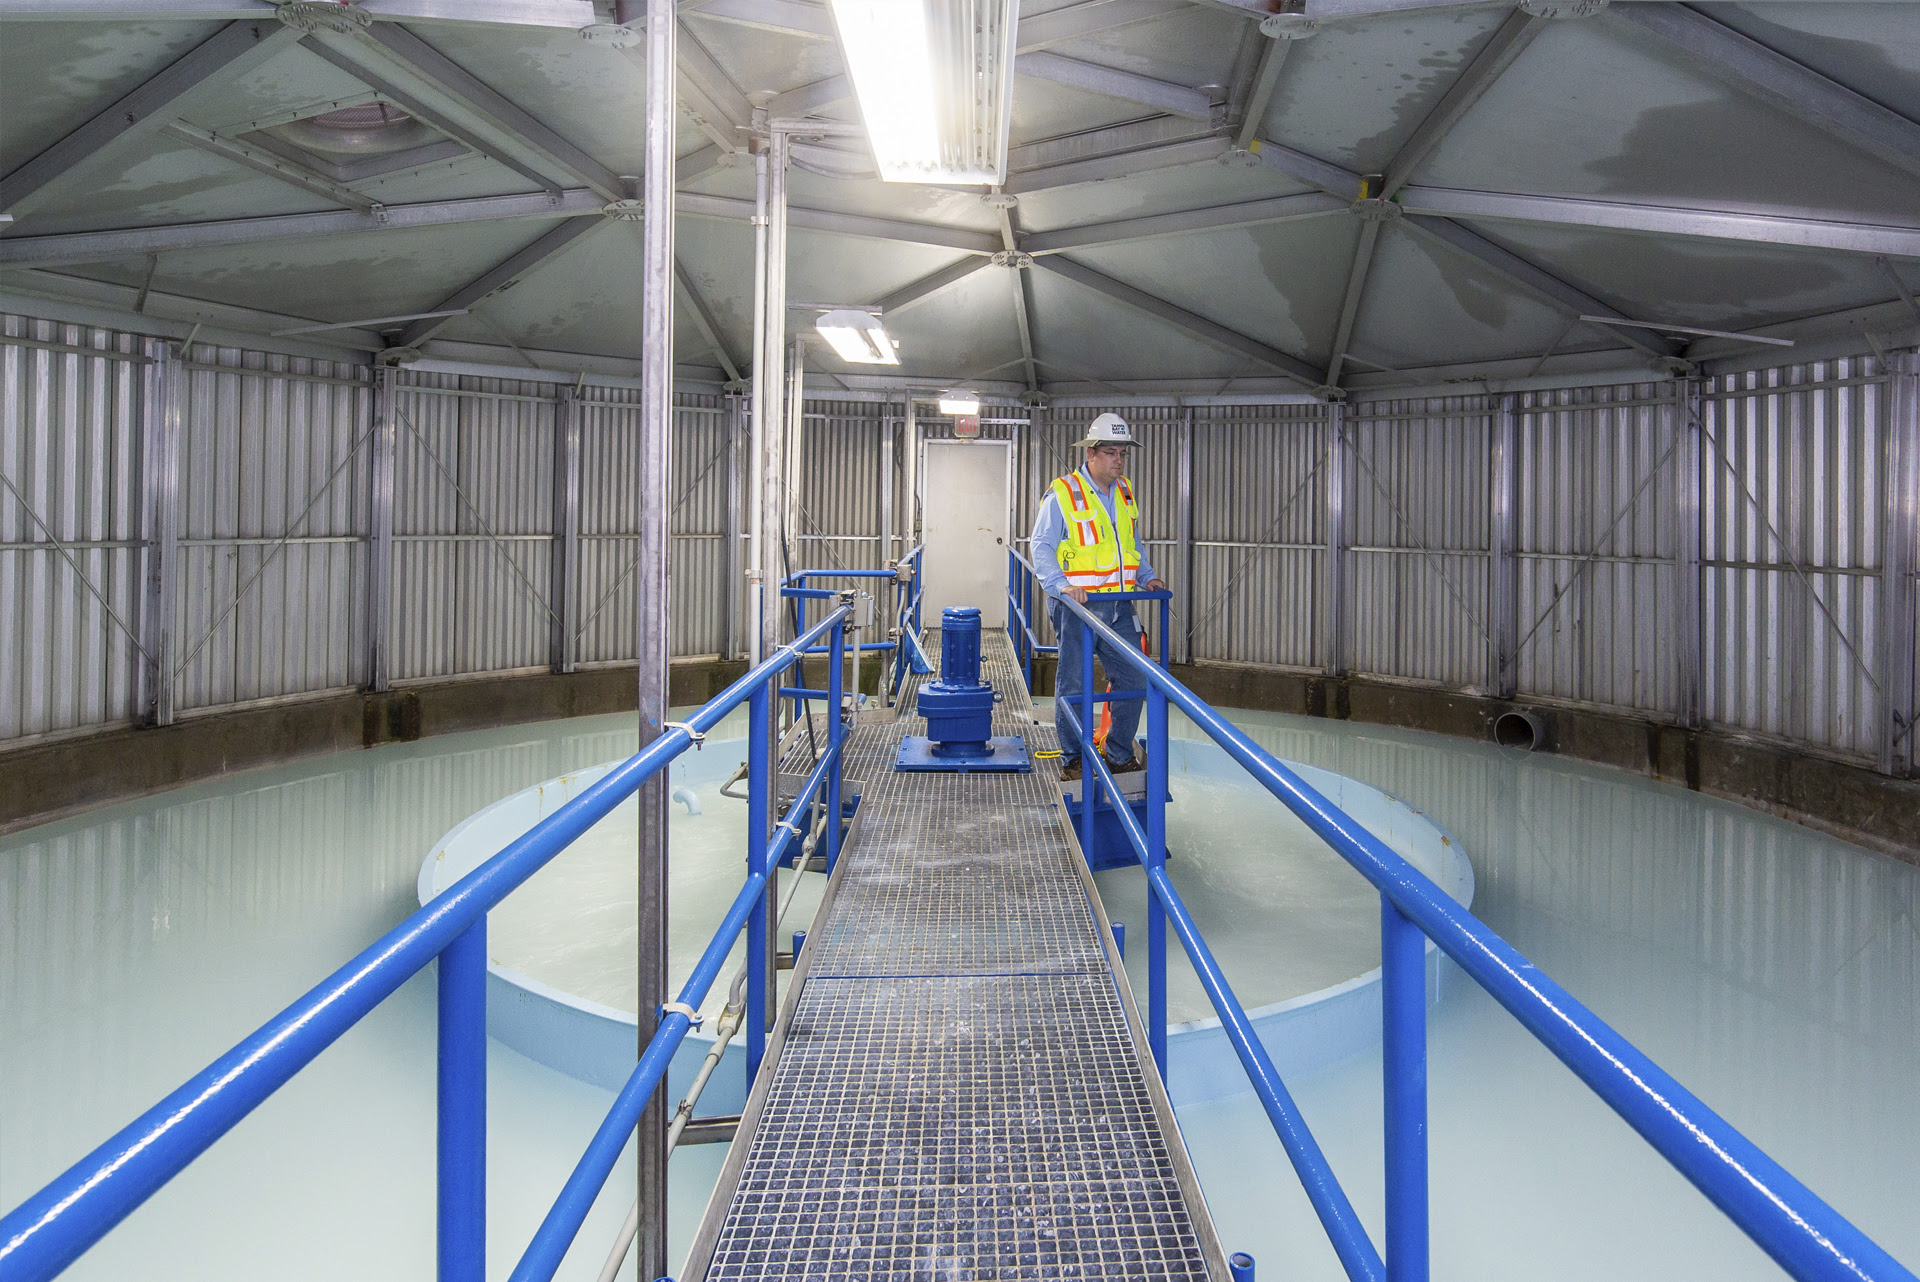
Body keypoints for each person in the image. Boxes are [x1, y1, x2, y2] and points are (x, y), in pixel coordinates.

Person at [1029, 412, 1167, 781]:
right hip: (1078, 605)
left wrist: (1147, 576)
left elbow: (1130, 543)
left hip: (1120, 604)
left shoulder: (1124, 491)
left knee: (1134, 680)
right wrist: (1061, 586)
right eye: (1110, 452)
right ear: (1090, 453)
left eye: (1122, 453)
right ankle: (1074, 758)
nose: (1118, 460)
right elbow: (1040, 546)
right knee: (1073, 682)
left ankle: (1117, 752)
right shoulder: (1063, 492)